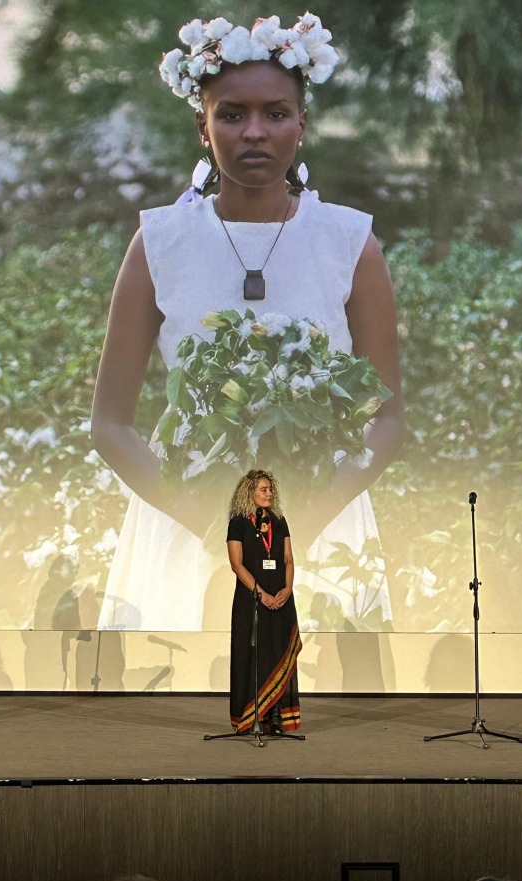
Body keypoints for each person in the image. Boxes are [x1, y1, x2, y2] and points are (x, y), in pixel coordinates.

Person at [90, 13, 404, 633]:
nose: (254, 132)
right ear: (203, 126)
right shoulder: (161, 241)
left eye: (276, 114)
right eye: (231, 114)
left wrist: (303, 523)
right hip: (187, 518)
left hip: (320, 516)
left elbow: (386, 417)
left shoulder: (349, 242)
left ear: (302, 125)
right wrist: (208, 523)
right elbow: (109, 423)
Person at [225, 469, 301, 732]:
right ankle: (252, 714)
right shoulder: (238, 522)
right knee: (254, 653)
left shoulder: (279, 521)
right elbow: (236, 564)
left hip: (280, 596)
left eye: (270, 489)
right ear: (250, 493)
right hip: (251, 598)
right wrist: (261, 594)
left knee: (278, 650)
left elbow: (289, 558)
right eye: (263, 490)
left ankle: (277, 714)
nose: (269, 494)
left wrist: (288, 588)